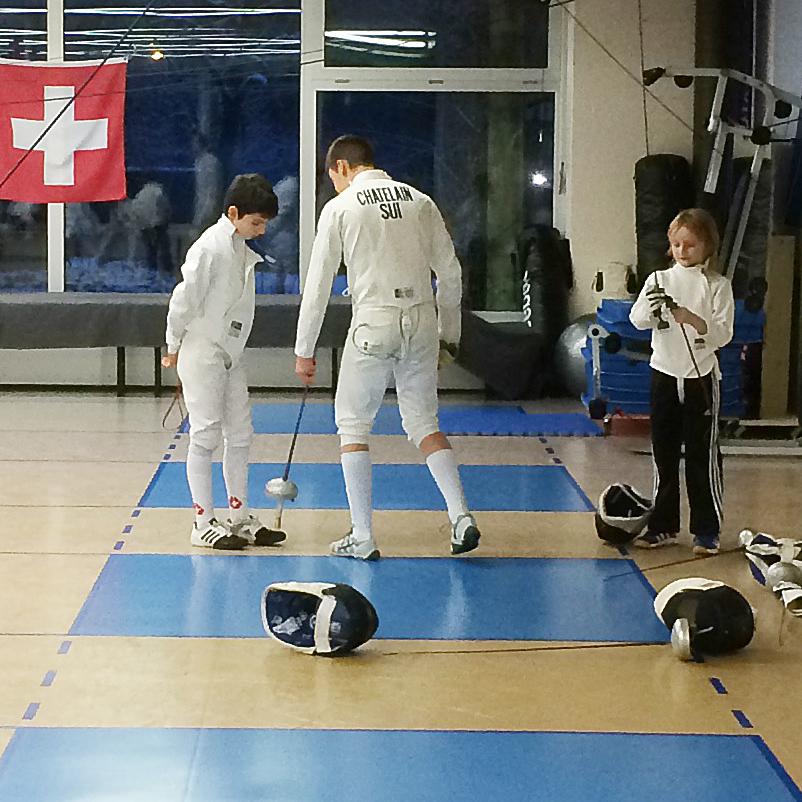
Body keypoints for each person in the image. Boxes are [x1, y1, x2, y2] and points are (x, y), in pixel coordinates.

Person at [294, 135, 480, 561]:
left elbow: (318, 285)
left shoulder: (341, 207)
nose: (334, 185)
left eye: (333, 177)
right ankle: (460, 517)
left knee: (353, 427)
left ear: (343, 167)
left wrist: (304, 350)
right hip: (423, 319)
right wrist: (449, 336)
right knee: (424, 423)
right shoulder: (420, 201)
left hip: (373, 322)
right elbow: (450, 274)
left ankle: (362, 535)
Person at [162, 173, 286, 550]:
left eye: (265, 223)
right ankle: (202, 523)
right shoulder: (210, 248)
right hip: (202, 351)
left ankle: (239, 516)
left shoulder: (241, 249)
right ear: (233, 213)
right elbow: (183, 299)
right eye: (256, 222)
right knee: (205, 435)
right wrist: (172, 344)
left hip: (231, 353)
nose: (262, 230)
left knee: (241, 434)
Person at [629, 208, 735, 556]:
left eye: (690, 245)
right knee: (664, 452)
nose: (682, 251)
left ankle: (707, 530)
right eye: (676, 244)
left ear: (707, 246)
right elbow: (637, 320)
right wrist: (653, 310)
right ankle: (663, 525)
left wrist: (692, 319)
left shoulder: (718, 285)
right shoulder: (658, 279)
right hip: (663, 373)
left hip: (700, 377)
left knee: (702, 455)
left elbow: (723, 334)